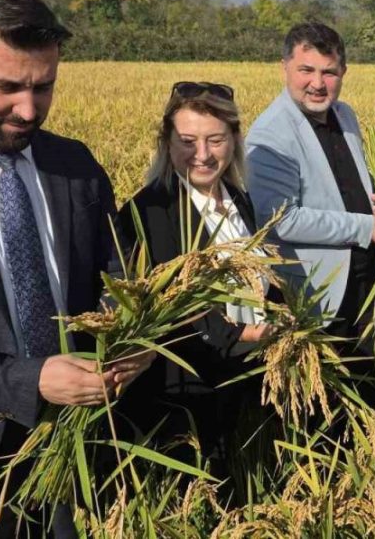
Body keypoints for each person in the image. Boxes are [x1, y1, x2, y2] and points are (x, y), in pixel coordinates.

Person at [0, 0, 151, 535]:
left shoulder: (74, 165)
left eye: (44, 87)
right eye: (8, 86)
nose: (28, 108)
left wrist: (135, 345)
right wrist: (29, 380)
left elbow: (119, 277)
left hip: (69, 462)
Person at [115, 82, 273, 490]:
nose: (202, 155)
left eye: (216, 140)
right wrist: (242, 337)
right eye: (188, 141)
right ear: (166, 143)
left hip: (241, 381)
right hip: (186, 393)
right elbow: (169, 307)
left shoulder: (239, 199)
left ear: (234, 140)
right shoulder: (150, 210)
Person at [245, 23, 375, 371]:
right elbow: (281, 219)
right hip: (316, 290)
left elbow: (342, 187)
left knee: (362, 372)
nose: (317, 83)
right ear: (284, 67)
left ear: (343, 72)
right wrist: (365, 226)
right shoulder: (271, 134)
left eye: (329, 72)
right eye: (306, 70)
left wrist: (373, 203)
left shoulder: (345, 116)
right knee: (321, 390)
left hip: (361, 278)